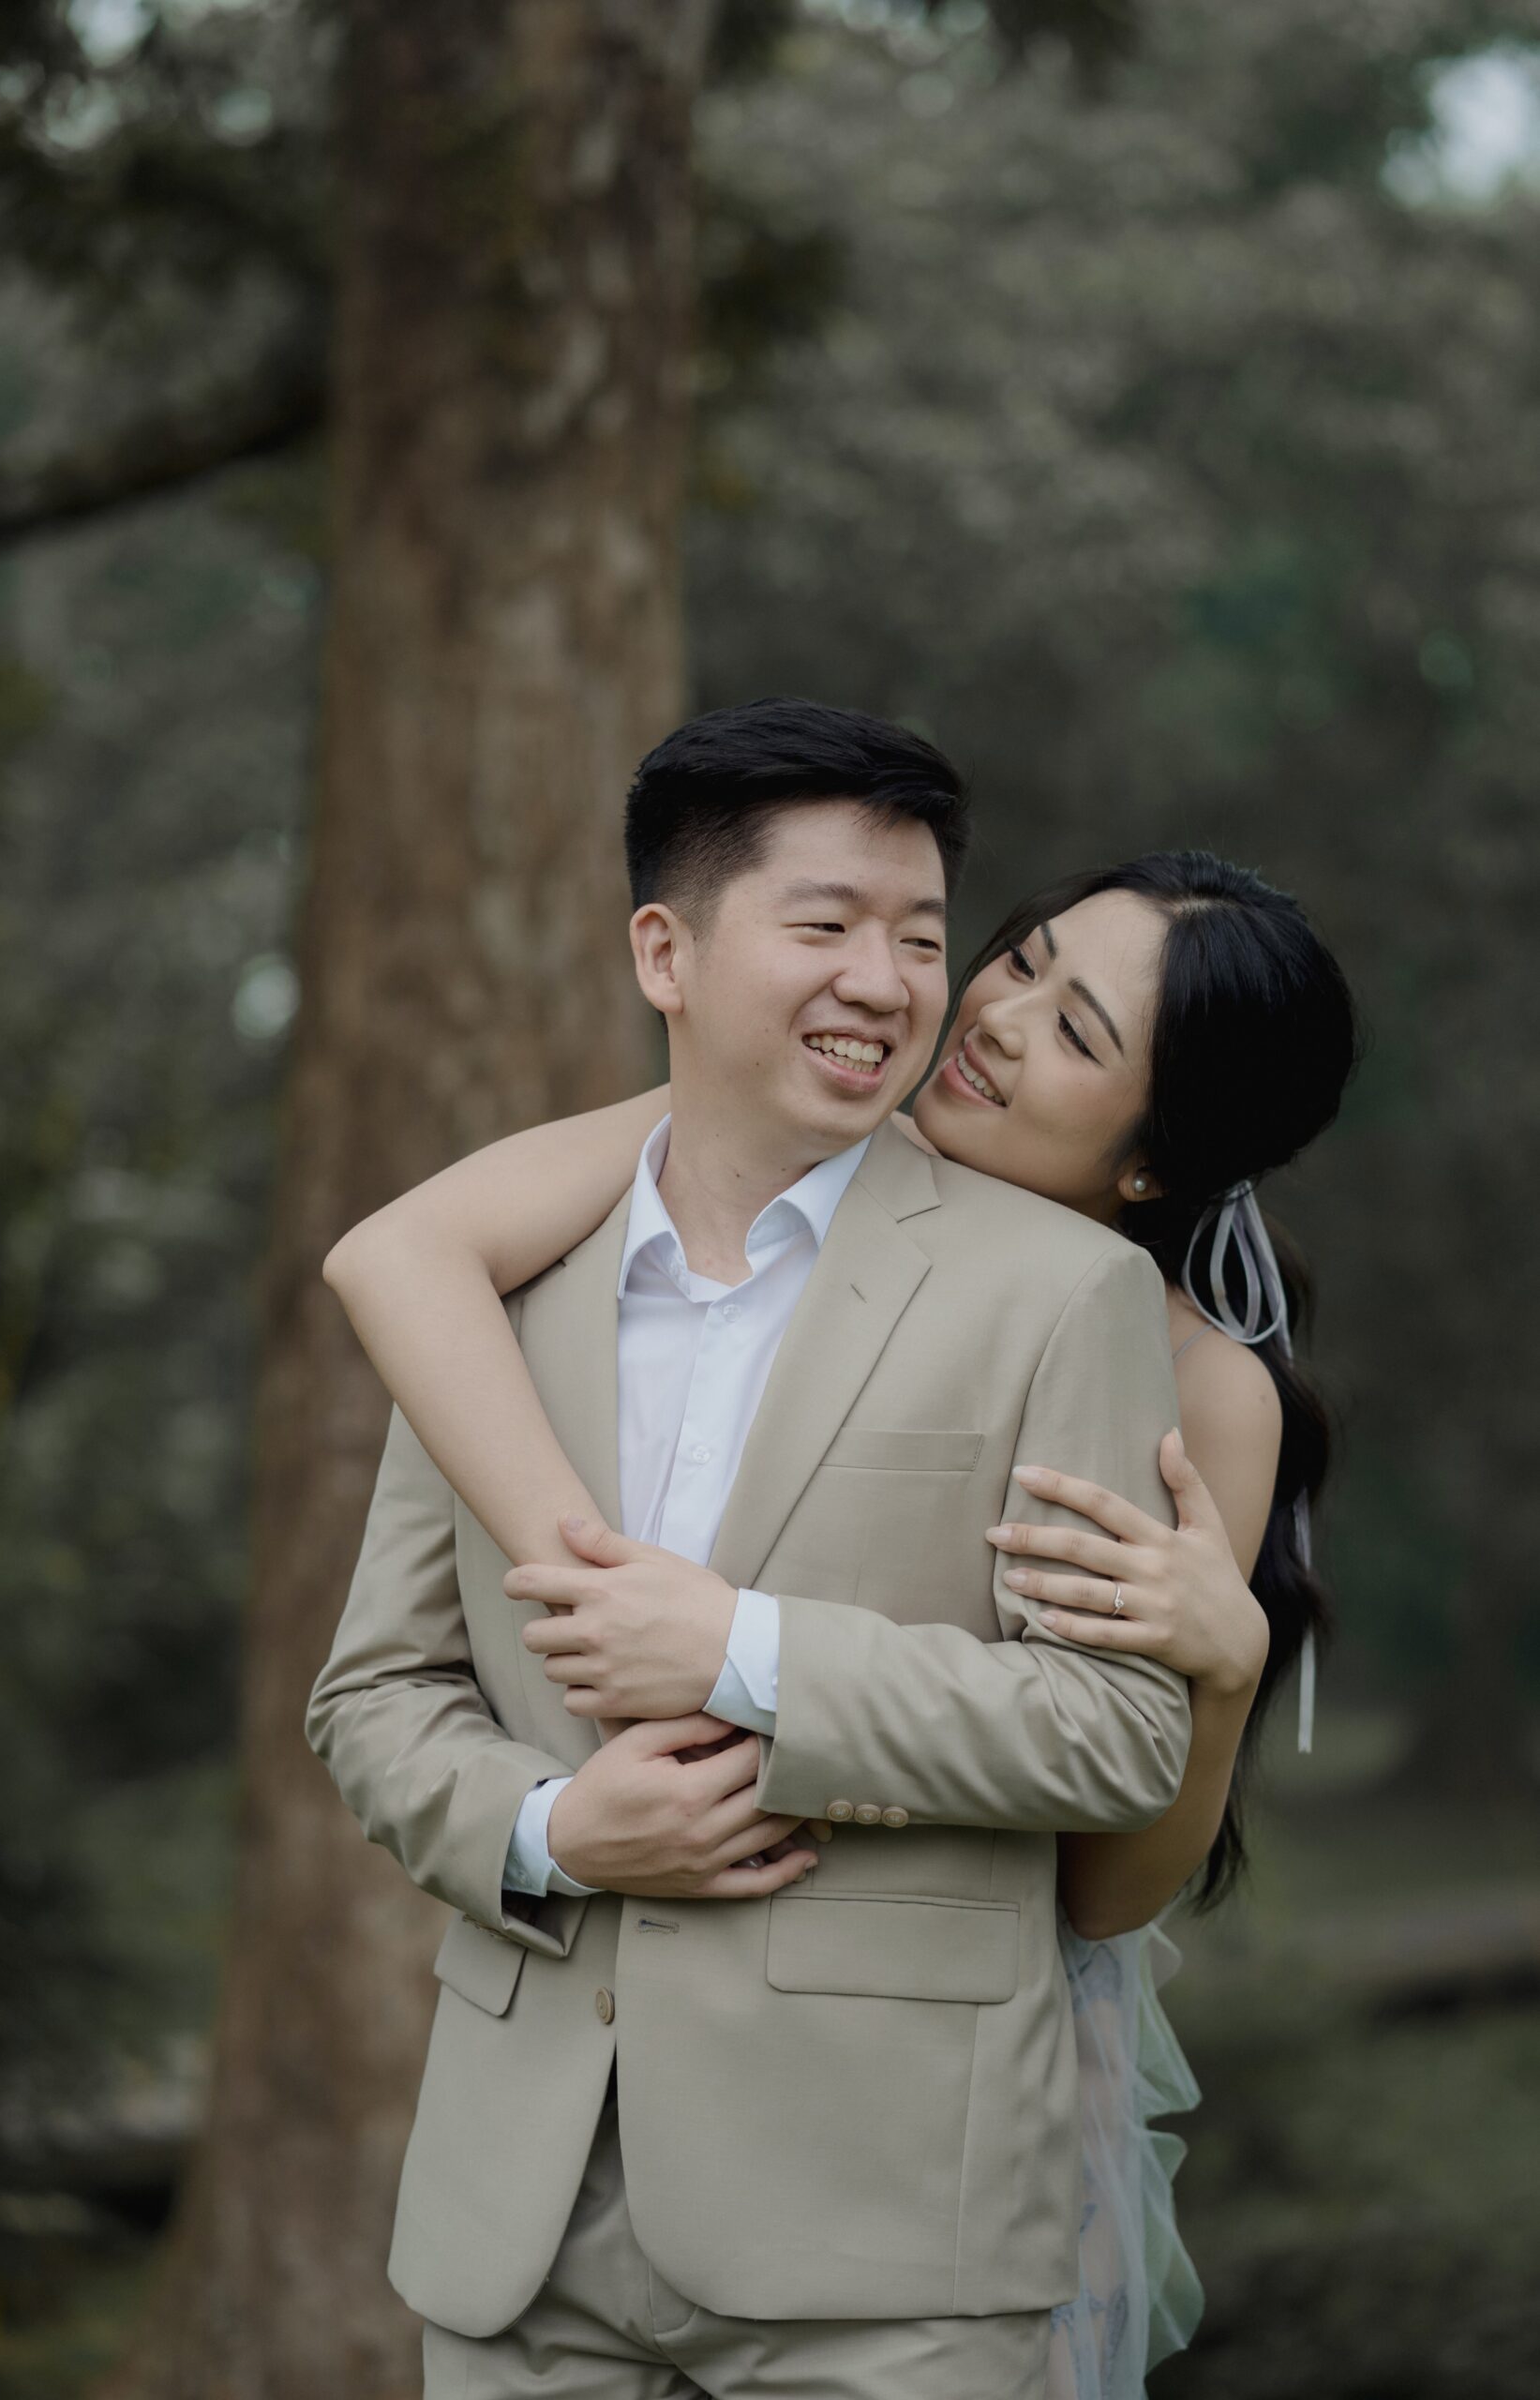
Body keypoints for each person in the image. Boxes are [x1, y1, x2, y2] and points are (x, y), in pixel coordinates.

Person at [307, 698, 1334, 2396]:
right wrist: (554, 1825)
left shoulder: (1142, 1348)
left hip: (913, 2139)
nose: (978, 1015)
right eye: (1011, 960)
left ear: (1154, 1156)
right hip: (529, 2198)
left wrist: (1216, 1680)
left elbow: (1102, 1858)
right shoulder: (560, 1248)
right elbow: (407, 1285)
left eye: (1072, 1028)